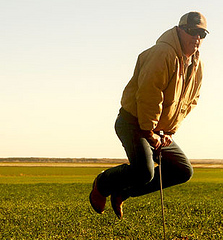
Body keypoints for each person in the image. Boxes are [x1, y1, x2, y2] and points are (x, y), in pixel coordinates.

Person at [89, 11, 208, 219]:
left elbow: (190, 101)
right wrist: (150, 130)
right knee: (144, 171)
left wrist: (170, 131)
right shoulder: (163, 53)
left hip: (158, 129)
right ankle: (102, 184)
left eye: (202, 34)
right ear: (179, 30)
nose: (196, 38)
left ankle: (123, 192)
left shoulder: (197, 65)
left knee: (183, 170)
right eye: (191, 31)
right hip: (134, 122)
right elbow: (149, 94)